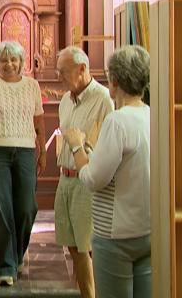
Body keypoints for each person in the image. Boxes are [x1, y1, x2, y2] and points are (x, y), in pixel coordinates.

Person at [65, 45, 151, 298]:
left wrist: (77, 146)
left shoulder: (118, 120)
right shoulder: (151, 115)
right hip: (146, 229)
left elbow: (93, 180)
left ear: (114, 82)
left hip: (116, 234)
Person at [0, 41, 46, 286]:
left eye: (13, 60)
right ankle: (5, 266)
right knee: (0, 207)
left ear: (22, 62)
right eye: (3, 60)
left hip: (26, 150)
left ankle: (16, 253)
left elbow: (39, 122)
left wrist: (43, 151)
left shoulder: (32, 86)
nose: (9, 64)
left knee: (27, 207)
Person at [54, 46, 114, 298]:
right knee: (72, 245)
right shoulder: (65, 100)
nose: (59, 77)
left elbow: (109, 143)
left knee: (88, 246)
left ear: (82, 69)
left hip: (86, 182)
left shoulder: (104, 99)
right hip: (65, 180)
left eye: (63, 72)